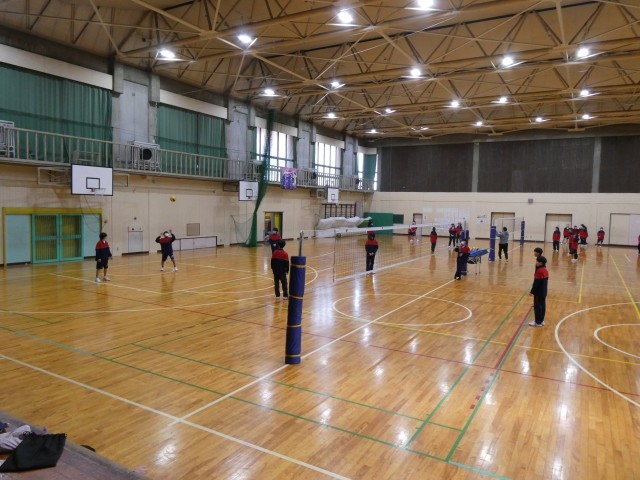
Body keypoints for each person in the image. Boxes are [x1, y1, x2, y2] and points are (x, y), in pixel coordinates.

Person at [529, 255, 549, 327]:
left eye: (537, 261)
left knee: (537, 307)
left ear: (541, 263)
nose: (536, 263)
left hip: (538, 293)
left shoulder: (539, 271)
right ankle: (541, 320)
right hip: (544, 292)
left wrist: (532, 291)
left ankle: (537, 322)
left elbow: (536, 283)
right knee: (542, 306)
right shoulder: (545, 269)